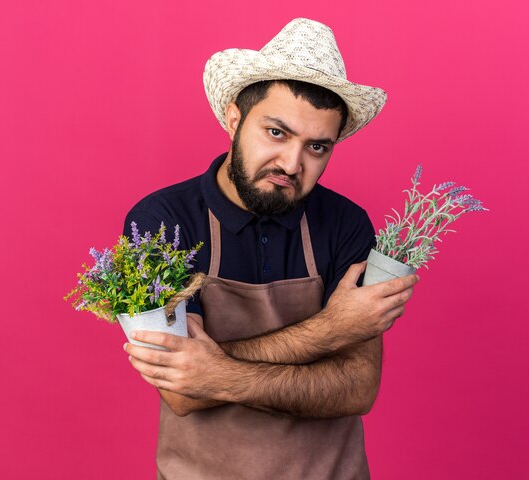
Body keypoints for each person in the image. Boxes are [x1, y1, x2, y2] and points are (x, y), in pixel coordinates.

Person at [123, 18, 419, 480]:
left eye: (317, 146)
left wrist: (217, 373)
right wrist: (331, 329)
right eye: (277, 133)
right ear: (235, 118)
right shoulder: (161, 223)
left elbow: (358, 388)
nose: (291, 163)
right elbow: (182, 392)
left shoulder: (346, 224)